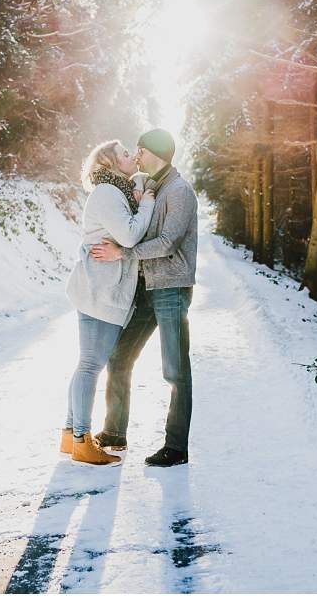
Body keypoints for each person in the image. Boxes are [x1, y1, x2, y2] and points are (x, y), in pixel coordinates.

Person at [90, 128, 198, 467]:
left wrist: (124, 252)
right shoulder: (154, 186)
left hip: (171, 289)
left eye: (140, 150)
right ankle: (114, 433)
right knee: (119, 357)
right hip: (147, 288)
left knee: (175, 370)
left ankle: (176, 447)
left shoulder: (179, 190)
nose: (136, 156)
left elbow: (167, 243)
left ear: (158, 153)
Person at [62, 139, 156, 465]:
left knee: (86, 363)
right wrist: (147, 204)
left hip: (99, 288)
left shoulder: (114, 193)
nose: (132, 157)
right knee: (91, 365)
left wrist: (136, 199)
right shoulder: (107, 194)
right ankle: (82, 441)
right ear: (112, 164)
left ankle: (70, 433)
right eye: (125, 154)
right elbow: (130, 236)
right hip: (100, 290)